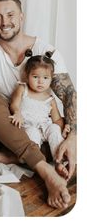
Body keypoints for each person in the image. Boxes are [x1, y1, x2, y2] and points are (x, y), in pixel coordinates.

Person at [0, 0, 76, 209]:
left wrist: (73, 137)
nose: (5, 22)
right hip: (12, 124)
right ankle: (46, 172)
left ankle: (11, 157)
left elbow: (69, 94)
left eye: (10, 15)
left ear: (21, 17)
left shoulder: (46, 52)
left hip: (41, 124)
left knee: (56, 140)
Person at [8, 51, 70, 179]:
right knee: (32, 133)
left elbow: (57, 119)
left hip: (45, 126)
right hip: (29, 125)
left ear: (51, 79)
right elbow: (14, 104)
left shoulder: (49, 98)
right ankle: (34, 161)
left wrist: (63, 128)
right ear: (27, 75)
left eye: (45, 78)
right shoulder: (22, 89)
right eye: (35, 77)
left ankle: (58, 161)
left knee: (54, 129)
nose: (40, 82)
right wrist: (17, 113)